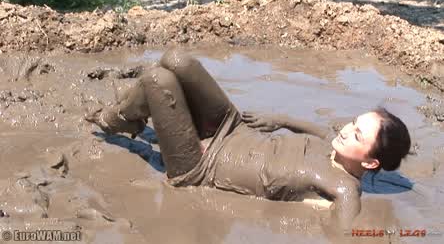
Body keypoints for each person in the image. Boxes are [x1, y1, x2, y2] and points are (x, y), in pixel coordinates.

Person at [85, 49, 411, 229]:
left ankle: (116, 118)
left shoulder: (343, 188)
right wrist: (278, 120)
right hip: (232, 127)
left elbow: (346, 233)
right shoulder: (333, 144)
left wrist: (315, 215)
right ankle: (132, 110)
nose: (345, 129)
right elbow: (313, 128)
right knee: (177, 61)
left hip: (200, 165)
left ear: (370, 161)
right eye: (353, 121)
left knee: (158, 80)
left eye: (357, 133)